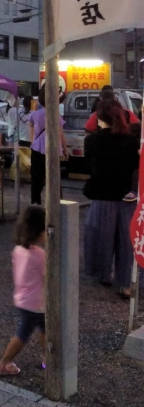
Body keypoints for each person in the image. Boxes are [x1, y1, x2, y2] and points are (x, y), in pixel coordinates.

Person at [83, 100, 140, 298]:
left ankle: (104, 274)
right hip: (126, 198)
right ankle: (125, 283)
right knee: (126, 243)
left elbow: (88, 166)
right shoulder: (131, 142)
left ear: (101, 118)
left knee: (100, 239)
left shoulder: (92, 141)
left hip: (102, 196)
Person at [0, 205, 46, 376]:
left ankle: (48, 360)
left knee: (46, 329)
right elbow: (48, 276)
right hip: (35, 303)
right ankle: (4, 363)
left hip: (23, 298)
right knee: (23, 334)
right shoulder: (39, 255)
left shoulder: (18, 249)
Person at [29, 87, 68, 206]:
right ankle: (57, 204)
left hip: (37, 149)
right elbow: (60, 134)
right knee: (55, 178)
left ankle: (36, 205)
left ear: (40, 101)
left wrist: (33, 143)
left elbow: (31, 131)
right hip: (54, 149)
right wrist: (65, 149)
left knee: (36, 179)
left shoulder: (34, 115)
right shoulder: (56, 115)